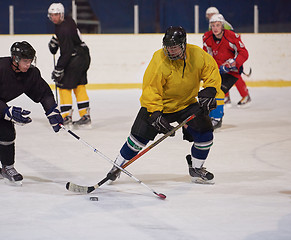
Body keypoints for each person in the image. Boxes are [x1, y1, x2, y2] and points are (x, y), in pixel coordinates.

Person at [106, 26, 221, 184]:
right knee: (137, 139)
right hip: (160, 106)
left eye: (174, 48)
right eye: (167, 47)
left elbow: (211, 71)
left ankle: (196, 168)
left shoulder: (197, 55)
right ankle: (116, 167)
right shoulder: (159, 60)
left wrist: (210, 89)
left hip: (186, 103)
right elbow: (151, 89)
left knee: (205, 134)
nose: (170, 51)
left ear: (183, 45)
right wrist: (154, 113)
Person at [0, 41, 64, 185]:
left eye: (30, 61)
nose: (28, 65)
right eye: (25, 61)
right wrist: (6, 111)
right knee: (5, 129)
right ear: (15, 59)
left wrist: (52, 112)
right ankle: (7, 168)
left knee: (4, 130)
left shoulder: (30, 74)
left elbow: (44, 93)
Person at [47, 3, 91, 128]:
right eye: (52, 15)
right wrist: (57, 39)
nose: (54, 17)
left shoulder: (63, 29)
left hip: (74, 58)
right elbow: (70, 38)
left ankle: (66, 117)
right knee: (79, 85)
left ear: (61, 14)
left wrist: (58, 69)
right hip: (83, 56)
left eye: (56, 14)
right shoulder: (68, 20)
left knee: (63, 85)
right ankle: (85, 117)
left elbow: (66, 52)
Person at [203, 14, 249, 129]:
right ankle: (211, 116)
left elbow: (243, 53)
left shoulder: (232, 36)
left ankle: (217, 119)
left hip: (232, 71)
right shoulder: (207, 37)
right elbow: (206, 56)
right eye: (213, 25)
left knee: (219, 90)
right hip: (217, 70)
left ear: (222, 26)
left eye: (218, 25)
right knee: (209, 89)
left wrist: (234, 63)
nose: (215, 28)